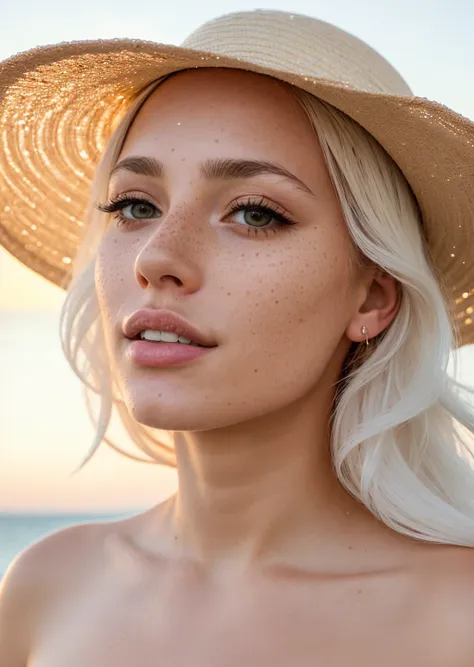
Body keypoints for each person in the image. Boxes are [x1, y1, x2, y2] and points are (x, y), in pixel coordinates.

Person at [1, 8, 474, 666]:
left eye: (254, 213)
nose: (157, 257)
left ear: (371, 296)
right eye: (135, 205)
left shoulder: (457, 618)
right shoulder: (44, 589)